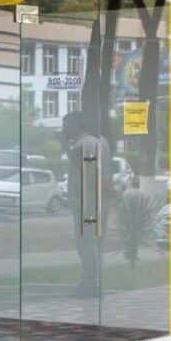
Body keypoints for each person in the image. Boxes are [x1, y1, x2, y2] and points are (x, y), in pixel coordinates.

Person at [60, 111, 110, 297]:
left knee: (85, 244)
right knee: (91, 244)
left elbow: (85, 169)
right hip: (94, 201)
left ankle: (90, 284)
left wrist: (65, 146)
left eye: (66, 125)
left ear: (75, 125)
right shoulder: (99, 142)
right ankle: (90, 282)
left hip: (87, 203)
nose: (64, 130)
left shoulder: (86, 144)